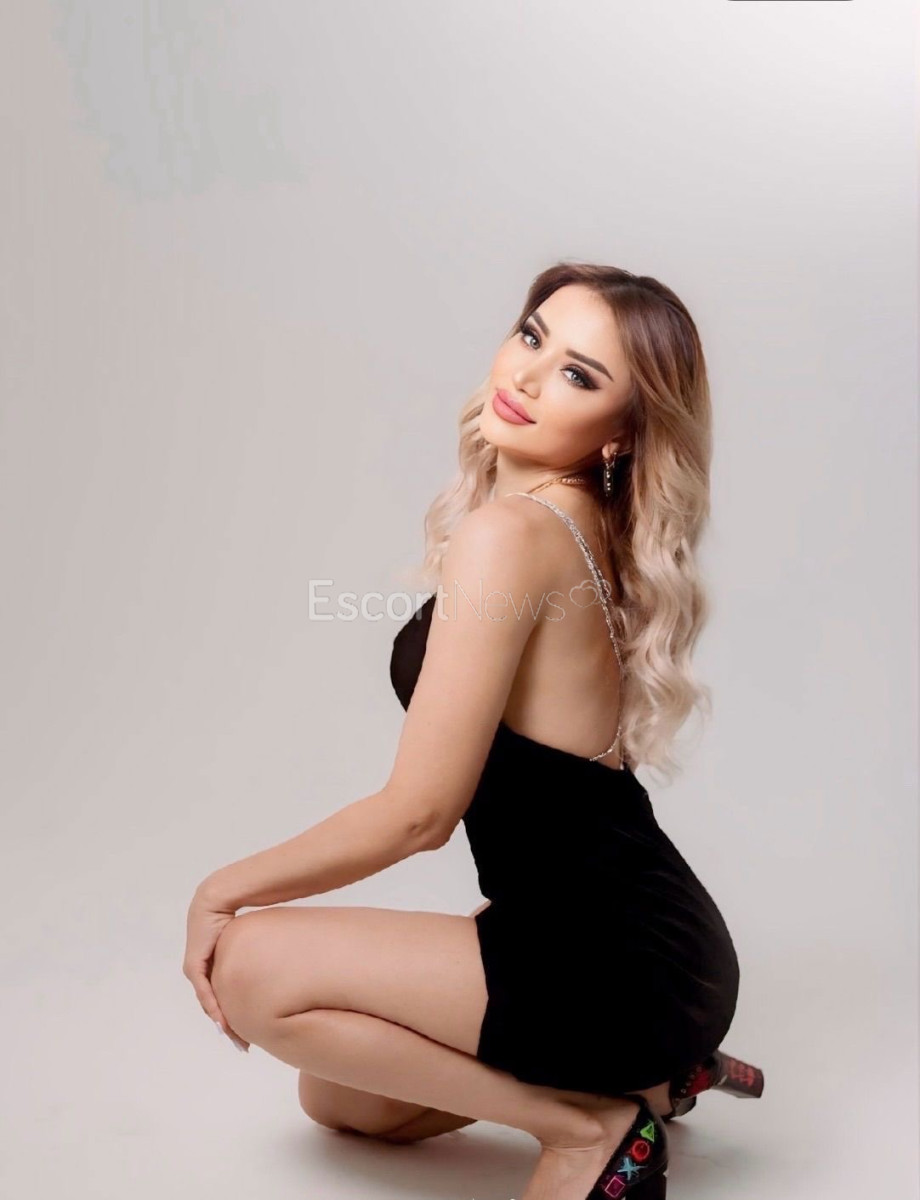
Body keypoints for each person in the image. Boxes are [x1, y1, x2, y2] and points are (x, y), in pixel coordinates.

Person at [183, 262, 764, 1199]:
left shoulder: (515, 536)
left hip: (616, 962)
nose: (527, 375)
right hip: (638, 944)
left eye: (578, 374)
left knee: (250, 967)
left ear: (621, 432)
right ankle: (658, 1078)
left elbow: (419, 814)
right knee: (341, 1097)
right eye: (532, 335)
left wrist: (221, 891)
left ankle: (591, 1127)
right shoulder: (580, 522)